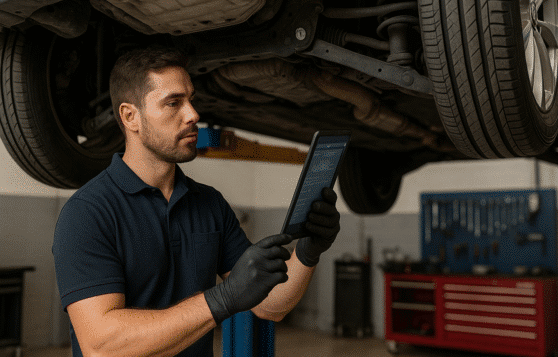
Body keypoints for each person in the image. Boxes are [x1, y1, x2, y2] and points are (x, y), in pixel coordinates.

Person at [52, 46, 341, 357]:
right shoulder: (88, 213)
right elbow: (102, 346)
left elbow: (271, 305)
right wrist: (219, 300)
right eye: (173, 103)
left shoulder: (209, 203)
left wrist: (308, 251)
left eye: (191, 100)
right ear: (130, 116)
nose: (193, 115)